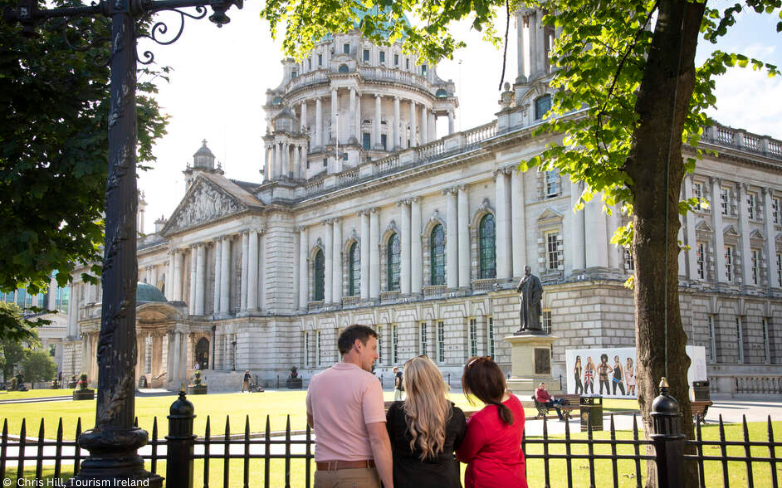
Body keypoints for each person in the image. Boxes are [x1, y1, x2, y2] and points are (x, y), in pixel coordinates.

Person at [306, 325, 393, 488]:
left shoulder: (316, 381)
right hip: (357, 474)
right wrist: (389, 485)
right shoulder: (368, 381)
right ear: (358, 345)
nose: (376, 355)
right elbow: (378, 439)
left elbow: (312, 421)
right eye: (373, 348)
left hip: (323, 475)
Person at [386, 356, 465, 488]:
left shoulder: (397, 412)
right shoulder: (455, 414)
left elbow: (388, 445)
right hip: (445, 480)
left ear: (409, 383)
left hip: (407, 480)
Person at [456, 356, 527, 488]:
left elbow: (463, 455)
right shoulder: (515, 402)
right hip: (516, 478)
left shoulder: (480, 420)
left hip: (486, 481)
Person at [516, 265, 544, 332]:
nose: (525, 272)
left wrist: (534, 300)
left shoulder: (535, 278)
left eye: (527, 270)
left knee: (532, 314)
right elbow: (518, 290)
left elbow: (539, 289)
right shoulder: (523, 279)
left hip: (531, 301)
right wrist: (521, 284)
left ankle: (533, 327)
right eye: (525, 270)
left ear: (530, 270)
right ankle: (523, 326)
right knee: (521, 312)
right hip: (524, 300)